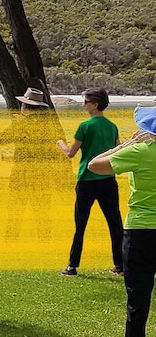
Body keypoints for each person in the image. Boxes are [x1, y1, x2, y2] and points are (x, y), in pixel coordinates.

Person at [89, 107, 156, 337]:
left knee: (137, 302)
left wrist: (127, 144)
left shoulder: (139, 152)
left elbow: (94, 164)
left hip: (141, 231)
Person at [56, 88, 123, 276]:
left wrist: (60, 143)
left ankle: (72, 266)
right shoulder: (112, 126)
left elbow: (71, 153)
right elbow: (118, 150)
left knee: (80, 224)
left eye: (86, 101)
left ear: (95, 104)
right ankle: (121, 265)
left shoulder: (85, 126)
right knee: (115, 223)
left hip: (87, 180)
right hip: (108, 180)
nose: (84, 104)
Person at [0, 88, 71, 242]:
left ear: (26, 107)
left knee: (15, 212)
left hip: (21, 175)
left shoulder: (21, 125)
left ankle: (10, 242)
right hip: (42, 174)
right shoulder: (48, 127)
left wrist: (16, 123)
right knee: (42, 213)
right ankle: (45, 242)